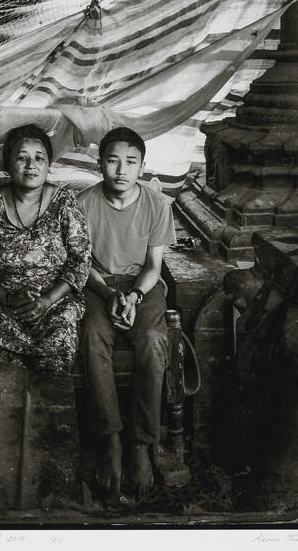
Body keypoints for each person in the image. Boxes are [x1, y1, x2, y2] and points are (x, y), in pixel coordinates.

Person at [78, 127, 176, 501]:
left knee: (153, 340)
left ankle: (141, 443)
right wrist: (107, 293)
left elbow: (154, 266)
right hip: (97, 282)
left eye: (130, 162)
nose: (121, 169)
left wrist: (133, 296)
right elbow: (80, 262)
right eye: (113, 160)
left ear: (141, 167)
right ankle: (112, 439)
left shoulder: (157, 205)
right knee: (91, 335)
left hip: (142, 285)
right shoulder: (82, 203)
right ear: (99, 163)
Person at [0, 124, 91, 375]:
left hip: (54, 304)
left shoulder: (65, 204)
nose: (31, 165)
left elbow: (80, 261)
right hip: (2, 303)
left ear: (48, 166)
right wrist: (9, 298)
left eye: (39, 158)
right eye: (22, 157)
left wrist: (46, 301)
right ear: (8, 165)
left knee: (54, 359)